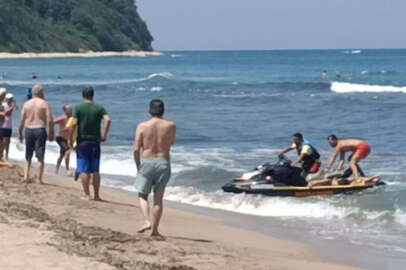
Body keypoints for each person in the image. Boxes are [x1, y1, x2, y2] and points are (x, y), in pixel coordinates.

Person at [133, 99, 176, 238]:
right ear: (163, 111)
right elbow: (171, 142)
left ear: (149, 111)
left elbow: (136, 148)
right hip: (163, 162)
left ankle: (146, 220)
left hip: (147, 160)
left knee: (142, 195)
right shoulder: (170, 125)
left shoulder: (142, 125)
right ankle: (155, 230)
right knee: (158, 198)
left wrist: (138, 164)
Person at [69, 86, 111, 201]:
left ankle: (87, 194)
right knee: (95, 170)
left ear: (83, 95)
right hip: (95, 141)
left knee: (84, 169)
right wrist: (104, 134)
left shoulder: (78, 108)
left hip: (82, 141)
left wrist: (71, 138)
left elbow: (74, 124)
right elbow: (108, 120)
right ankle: (97, 195)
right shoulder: (99, 108)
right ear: (93, 95)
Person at [18, 84, 54, 184]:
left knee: (28, 155)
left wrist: (20, 132)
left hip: (28, 129)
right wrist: (51, 132)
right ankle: (39, 179)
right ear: (42, 92)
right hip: (40, 129)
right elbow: (50, 120)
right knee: (40, 156)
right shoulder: (44, 103)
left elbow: (21, 120)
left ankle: (26, 176)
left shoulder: (27, 104)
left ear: (33, 92)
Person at [54, 105, 73, 176]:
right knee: (67, 151)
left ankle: (56, 170)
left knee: (62, 155)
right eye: (69, 110)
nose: (71, 111)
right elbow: (52, 122)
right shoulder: (62, 118)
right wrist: (51, 132)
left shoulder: (73, 118)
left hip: (67, 139)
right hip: (60, 138)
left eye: (71, 110)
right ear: (65, 111)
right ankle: (67, 169)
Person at [0, 93, 17, 160]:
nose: (10, 100)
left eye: (11, 99)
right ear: (6, 98)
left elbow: (16, 108)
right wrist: (12, 108)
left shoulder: (11, 105)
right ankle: (1, 154)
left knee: (8, 142)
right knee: (3, 141)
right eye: (9, 99)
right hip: (3, 125)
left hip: (9, 125)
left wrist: (14, 105)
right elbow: (6, 113)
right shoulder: (3, 105)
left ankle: (7, 155)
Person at [0, 88, 6, 160]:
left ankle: (1, 156)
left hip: (1, 125)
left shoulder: (2, 104)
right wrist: (2, 113)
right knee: (1, 142)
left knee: (2, 141)